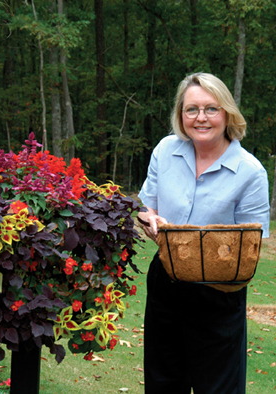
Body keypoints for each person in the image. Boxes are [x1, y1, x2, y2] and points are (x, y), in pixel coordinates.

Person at [137, 72, 270, 394]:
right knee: (162, 383)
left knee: (218, 387)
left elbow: (252, 244)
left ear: (227, 113)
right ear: (180, 115)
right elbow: (146, 208)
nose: (201, 118)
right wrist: (150, 221)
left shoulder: (250, 172)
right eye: (191, 109)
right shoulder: (165, 150)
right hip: (165, 281)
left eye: (211, 109)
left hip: (218, 292)